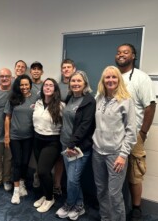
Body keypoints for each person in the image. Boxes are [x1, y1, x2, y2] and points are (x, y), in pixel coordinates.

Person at [115, 43, 156, 221]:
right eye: (118, 52)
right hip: (113, 134)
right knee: (112, 170)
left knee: (134, 172)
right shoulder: (112, 76)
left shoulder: (141, 78)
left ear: (133, 56)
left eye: (125, 52)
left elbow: (150, 106)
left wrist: (143, 133)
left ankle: (136, 208)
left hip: (134, 135)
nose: (121, 55)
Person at [92, 66, 137, 221]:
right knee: (101, 189)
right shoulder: (99, 98)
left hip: (116, 154)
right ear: (103, 81)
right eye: (107, 77)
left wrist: (123, 155)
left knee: (114, 193)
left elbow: (131, 131)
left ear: (119, 80)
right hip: (97, 152)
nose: (110, 80)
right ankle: (105, 218)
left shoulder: (126, 101)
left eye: (114, 77)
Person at [56, 71, 96, 220]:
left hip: (78, 148)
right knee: (73, 179)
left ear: (85, 83)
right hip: (65, 144)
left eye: (79, 81)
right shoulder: (70, 97)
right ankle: (79, 205)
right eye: (73, 81)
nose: (75, 83)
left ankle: (69, 203)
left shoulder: (89, 101)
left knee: (72, 179)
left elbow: (85, 126)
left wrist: (71, 145)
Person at [4, 74, 38, 204]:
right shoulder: (13, 98)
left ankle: (22, 182)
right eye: (21, 84)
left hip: (29, 136)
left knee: (25, 162)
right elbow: (7, 117)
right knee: (17, 162)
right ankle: (16, 191)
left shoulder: (36, 97)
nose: (24, 87)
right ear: (18, 85)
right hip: (15, 137)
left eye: (26, 84)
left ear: (30, 84)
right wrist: (7, 135)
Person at [32, 78, 65, 213]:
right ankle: (45, 195)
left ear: (55, 89)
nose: (48, 87)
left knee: (43, 171)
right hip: (37, 139)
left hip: (52, 141)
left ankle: (50, 198)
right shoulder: (38, 103)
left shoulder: (61, 105)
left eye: (51, 85)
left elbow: (66, 125)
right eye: (46, 85)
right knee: (41, 173)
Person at [53, 58, 77, 196]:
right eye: (64, 67)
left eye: (69, 67)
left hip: (71, 129)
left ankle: (72, 190)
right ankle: (57, 185)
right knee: (59, 158)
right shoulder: (57, 86)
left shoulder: (78, 84)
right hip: (57, 127)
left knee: (72, 160)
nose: (66, 69)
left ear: (74, 69)